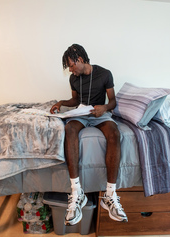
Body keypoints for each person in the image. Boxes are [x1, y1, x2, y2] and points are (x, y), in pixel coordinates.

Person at [50, 44, 128, 225]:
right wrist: (62, 102)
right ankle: (77, 192)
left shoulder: (105, 74)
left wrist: (105, 108)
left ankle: (110, 194)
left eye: (71, 65)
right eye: (69, 67)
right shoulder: (73, 79)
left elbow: (113, 101)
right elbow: (76, 100)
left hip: (100, 113)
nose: (70, 70)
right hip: (82, 114)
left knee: (115, 133)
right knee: (69, 129)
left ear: (80, 59)